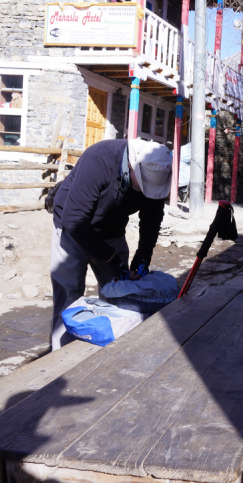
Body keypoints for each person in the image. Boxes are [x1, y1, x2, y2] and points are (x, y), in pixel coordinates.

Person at [49, 138, 172, 350]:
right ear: (133, 166)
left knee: (121, 293)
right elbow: (74, 219)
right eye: (142, 186)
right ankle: (59, 358)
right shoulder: (100, 159)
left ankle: (110, 352)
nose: (146, 193)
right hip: (72, 228)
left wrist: (142, 258)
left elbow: (152, 220)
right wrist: (109, 257)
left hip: (111, 229)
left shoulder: (156, 170)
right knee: (69, 295)